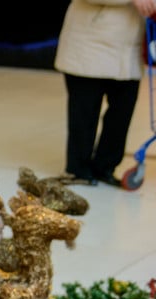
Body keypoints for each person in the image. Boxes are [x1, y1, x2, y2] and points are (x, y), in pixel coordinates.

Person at [55, 0, 155, 186]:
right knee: (84, 112)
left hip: (128, 51)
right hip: (90, 46)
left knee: (122, 113)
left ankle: (105, 167)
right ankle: (78, 170)